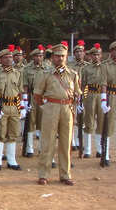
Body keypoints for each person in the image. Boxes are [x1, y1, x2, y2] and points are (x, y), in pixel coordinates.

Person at [34, 41, 81, 185]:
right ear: (52, 57)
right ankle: (44, 174)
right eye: (57, 56)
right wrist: (46, 107)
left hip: (67, 109)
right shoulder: (45, 73)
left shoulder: (73, 74)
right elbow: (37, 95)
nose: (60, 58)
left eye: (63, 56)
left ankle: (65, 174)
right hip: (51, 107)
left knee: (66, 143)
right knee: (47, 142)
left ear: (66, 57)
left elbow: (78, 93)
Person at [0, 45, 26, 171]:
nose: (9, 59)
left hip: (14, 106)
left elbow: (20, 91)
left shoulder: (18, 73)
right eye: (5, 57)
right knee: (1, 134)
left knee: (13, 133)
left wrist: (22, 107)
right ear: (0, 60)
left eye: (10, 57)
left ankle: (12, 160)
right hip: (3, 105)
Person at [80, 44, 106, 158]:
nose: (96, 56)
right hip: (89, 95)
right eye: (94, 54)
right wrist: (82, 99)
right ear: (90, 56)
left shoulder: (105, 67)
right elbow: (83, 85)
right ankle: (87, 150)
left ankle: (100, 149)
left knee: (101, 122)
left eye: (98, 54)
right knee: (88, 122)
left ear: (101, 55)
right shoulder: (86, 68)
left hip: (101, 95)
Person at [100, 38, 116, 164]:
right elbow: (103, 83)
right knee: (109, 124)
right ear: (111, 52)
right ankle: (106, 154)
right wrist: (103, 99)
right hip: (111, 95)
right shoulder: (105, 65)